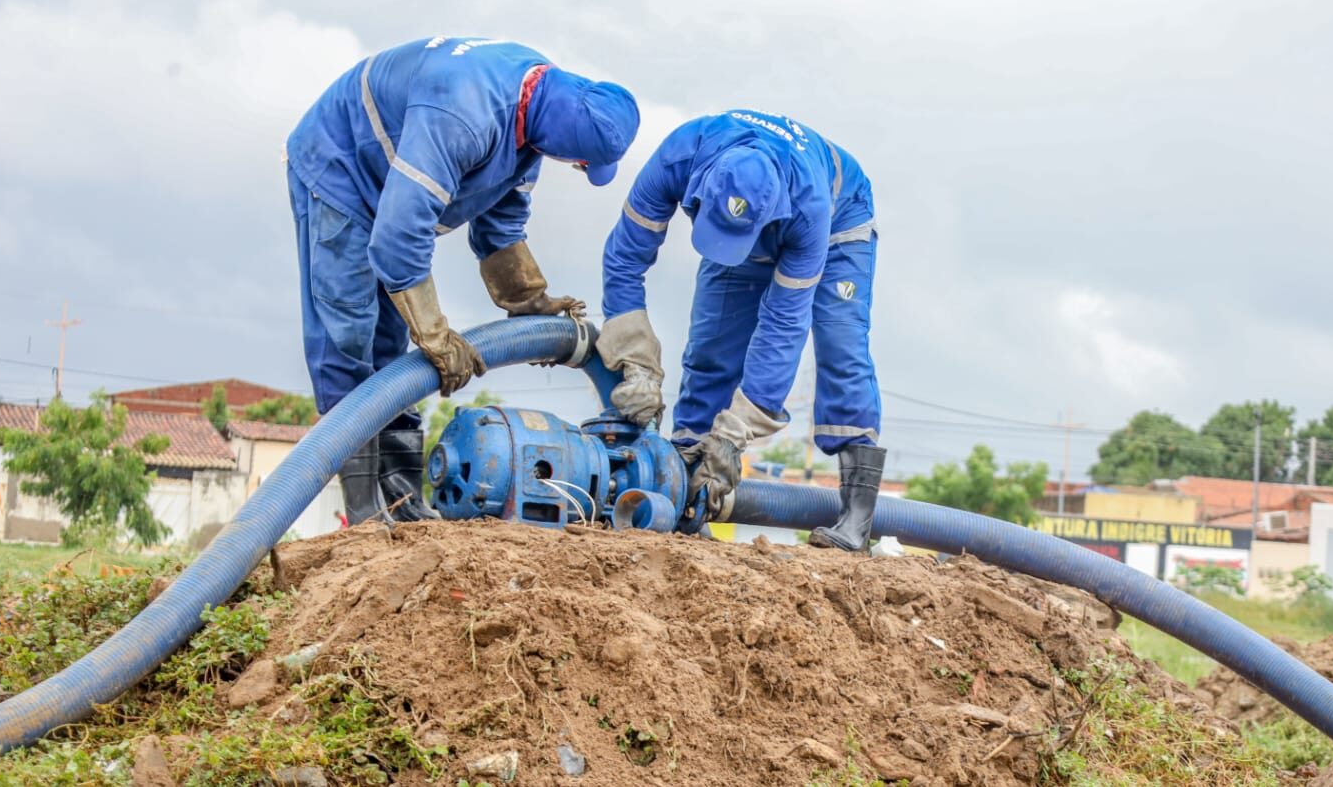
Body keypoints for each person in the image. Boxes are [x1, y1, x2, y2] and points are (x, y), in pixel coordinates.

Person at [286, 36, 640, 526]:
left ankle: (403, 497)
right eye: (580, 163)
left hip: (391, 183)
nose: (577, 168)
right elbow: (397, 238)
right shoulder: (464, 115)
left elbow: (501, 221)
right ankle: (365, 509)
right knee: (348, 331)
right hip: (341, 166)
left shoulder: (538, 111)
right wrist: (434, 335)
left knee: (388, 349)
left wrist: (526, 299)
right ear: (566, 144)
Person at [596, 110, 884, 552]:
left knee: (839, 341)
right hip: (757, 220)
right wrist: (634, 357)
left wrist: (735, 434)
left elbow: (783, 325)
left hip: (838, 225)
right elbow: (624, 258)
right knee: (712, 345)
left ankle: (856, 521)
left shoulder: (809, 210)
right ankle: (687, 494)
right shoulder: (680, 155)